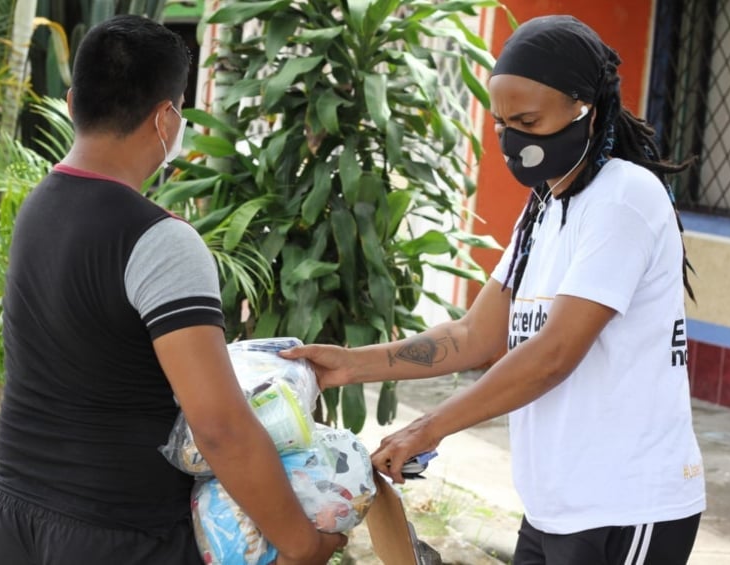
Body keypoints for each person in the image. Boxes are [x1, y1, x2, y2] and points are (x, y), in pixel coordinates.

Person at [281, 14, 705, 565]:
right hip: (555, 506)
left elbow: (553, 354)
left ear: (587, 109)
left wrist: (431, 427)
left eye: (528, 119)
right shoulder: (544, 208)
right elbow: (475, 335)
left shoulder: (623, 198)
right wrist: (350, 364)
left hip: (626, 506)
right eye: (503, 123)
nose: (514, 140)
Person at [0, 15, 345, 565]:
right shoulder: (160, 239)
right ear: (167, 118)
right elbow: (219, 427)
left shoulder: (38, 207)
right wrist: (303, 544)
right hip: (117, 534)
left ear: (74, 100)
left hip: (13, 518)